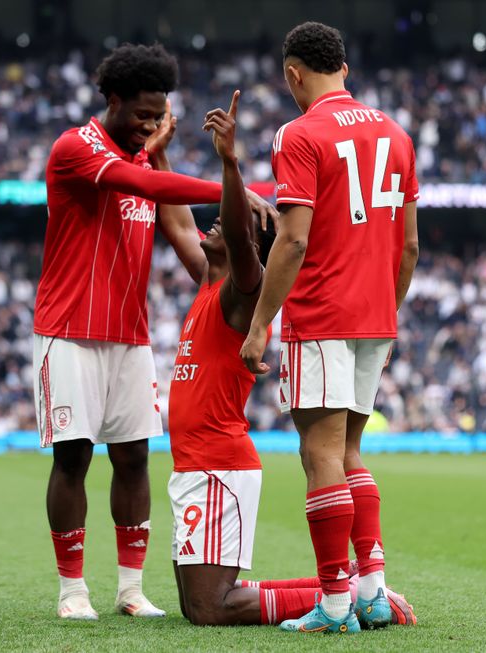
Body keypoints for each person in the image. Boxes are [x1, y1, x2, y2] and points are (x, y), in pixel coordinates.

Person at [34, 43, 275, 621]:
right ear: (113, 100)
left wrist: (174, 164)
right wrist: (234, 189)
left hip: (130, 337)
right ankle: (72, 590)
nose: (149, 123)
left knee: (135, 459)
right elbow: (154, 191)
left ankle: (129, 589)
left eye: (158, 113)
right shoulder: (78, 148)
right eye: (141, 113)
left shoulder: (146, 164)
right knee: (72, 459)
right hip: (69, 330)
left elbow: (188, 242)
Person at [167, 90, 415, 630]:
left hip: (218, 461)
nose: (209, 227)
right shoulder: (208, 283)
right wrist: (156, 158)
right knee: (197, 603)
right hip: (194, 462)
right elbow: (180, 225)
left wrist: (231, 165)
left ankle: (339, 597)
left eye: (223, 227)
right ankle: (351, 587)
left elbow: (241, 233)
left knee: (209, 609)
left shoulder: (241, 290)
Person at [239, 22, 421, 633]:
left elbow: (292, 240)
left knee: (319, 455)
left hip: (321, 311)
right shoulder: (396, 134)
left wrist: (262, 323)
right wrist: (388, 317)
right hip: (375, 313)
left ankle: (336, 605)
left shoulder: (299, 132)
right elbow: (411, 248)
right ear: (343, 65)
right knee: (349, 453)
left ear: (294, 73)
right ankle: (371, 591)